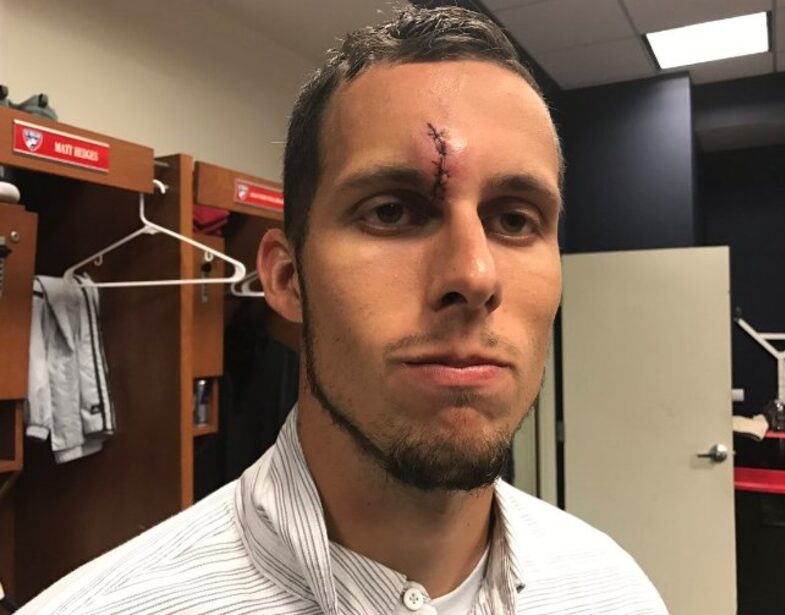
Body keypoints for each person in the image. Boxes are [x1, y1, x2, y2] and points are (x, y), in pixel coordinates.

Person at [21, 6, 667, 614]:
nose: (473, 274)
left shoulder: (615, 591)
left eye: (515, 219)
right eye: (391, 210)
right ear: (285, 277)